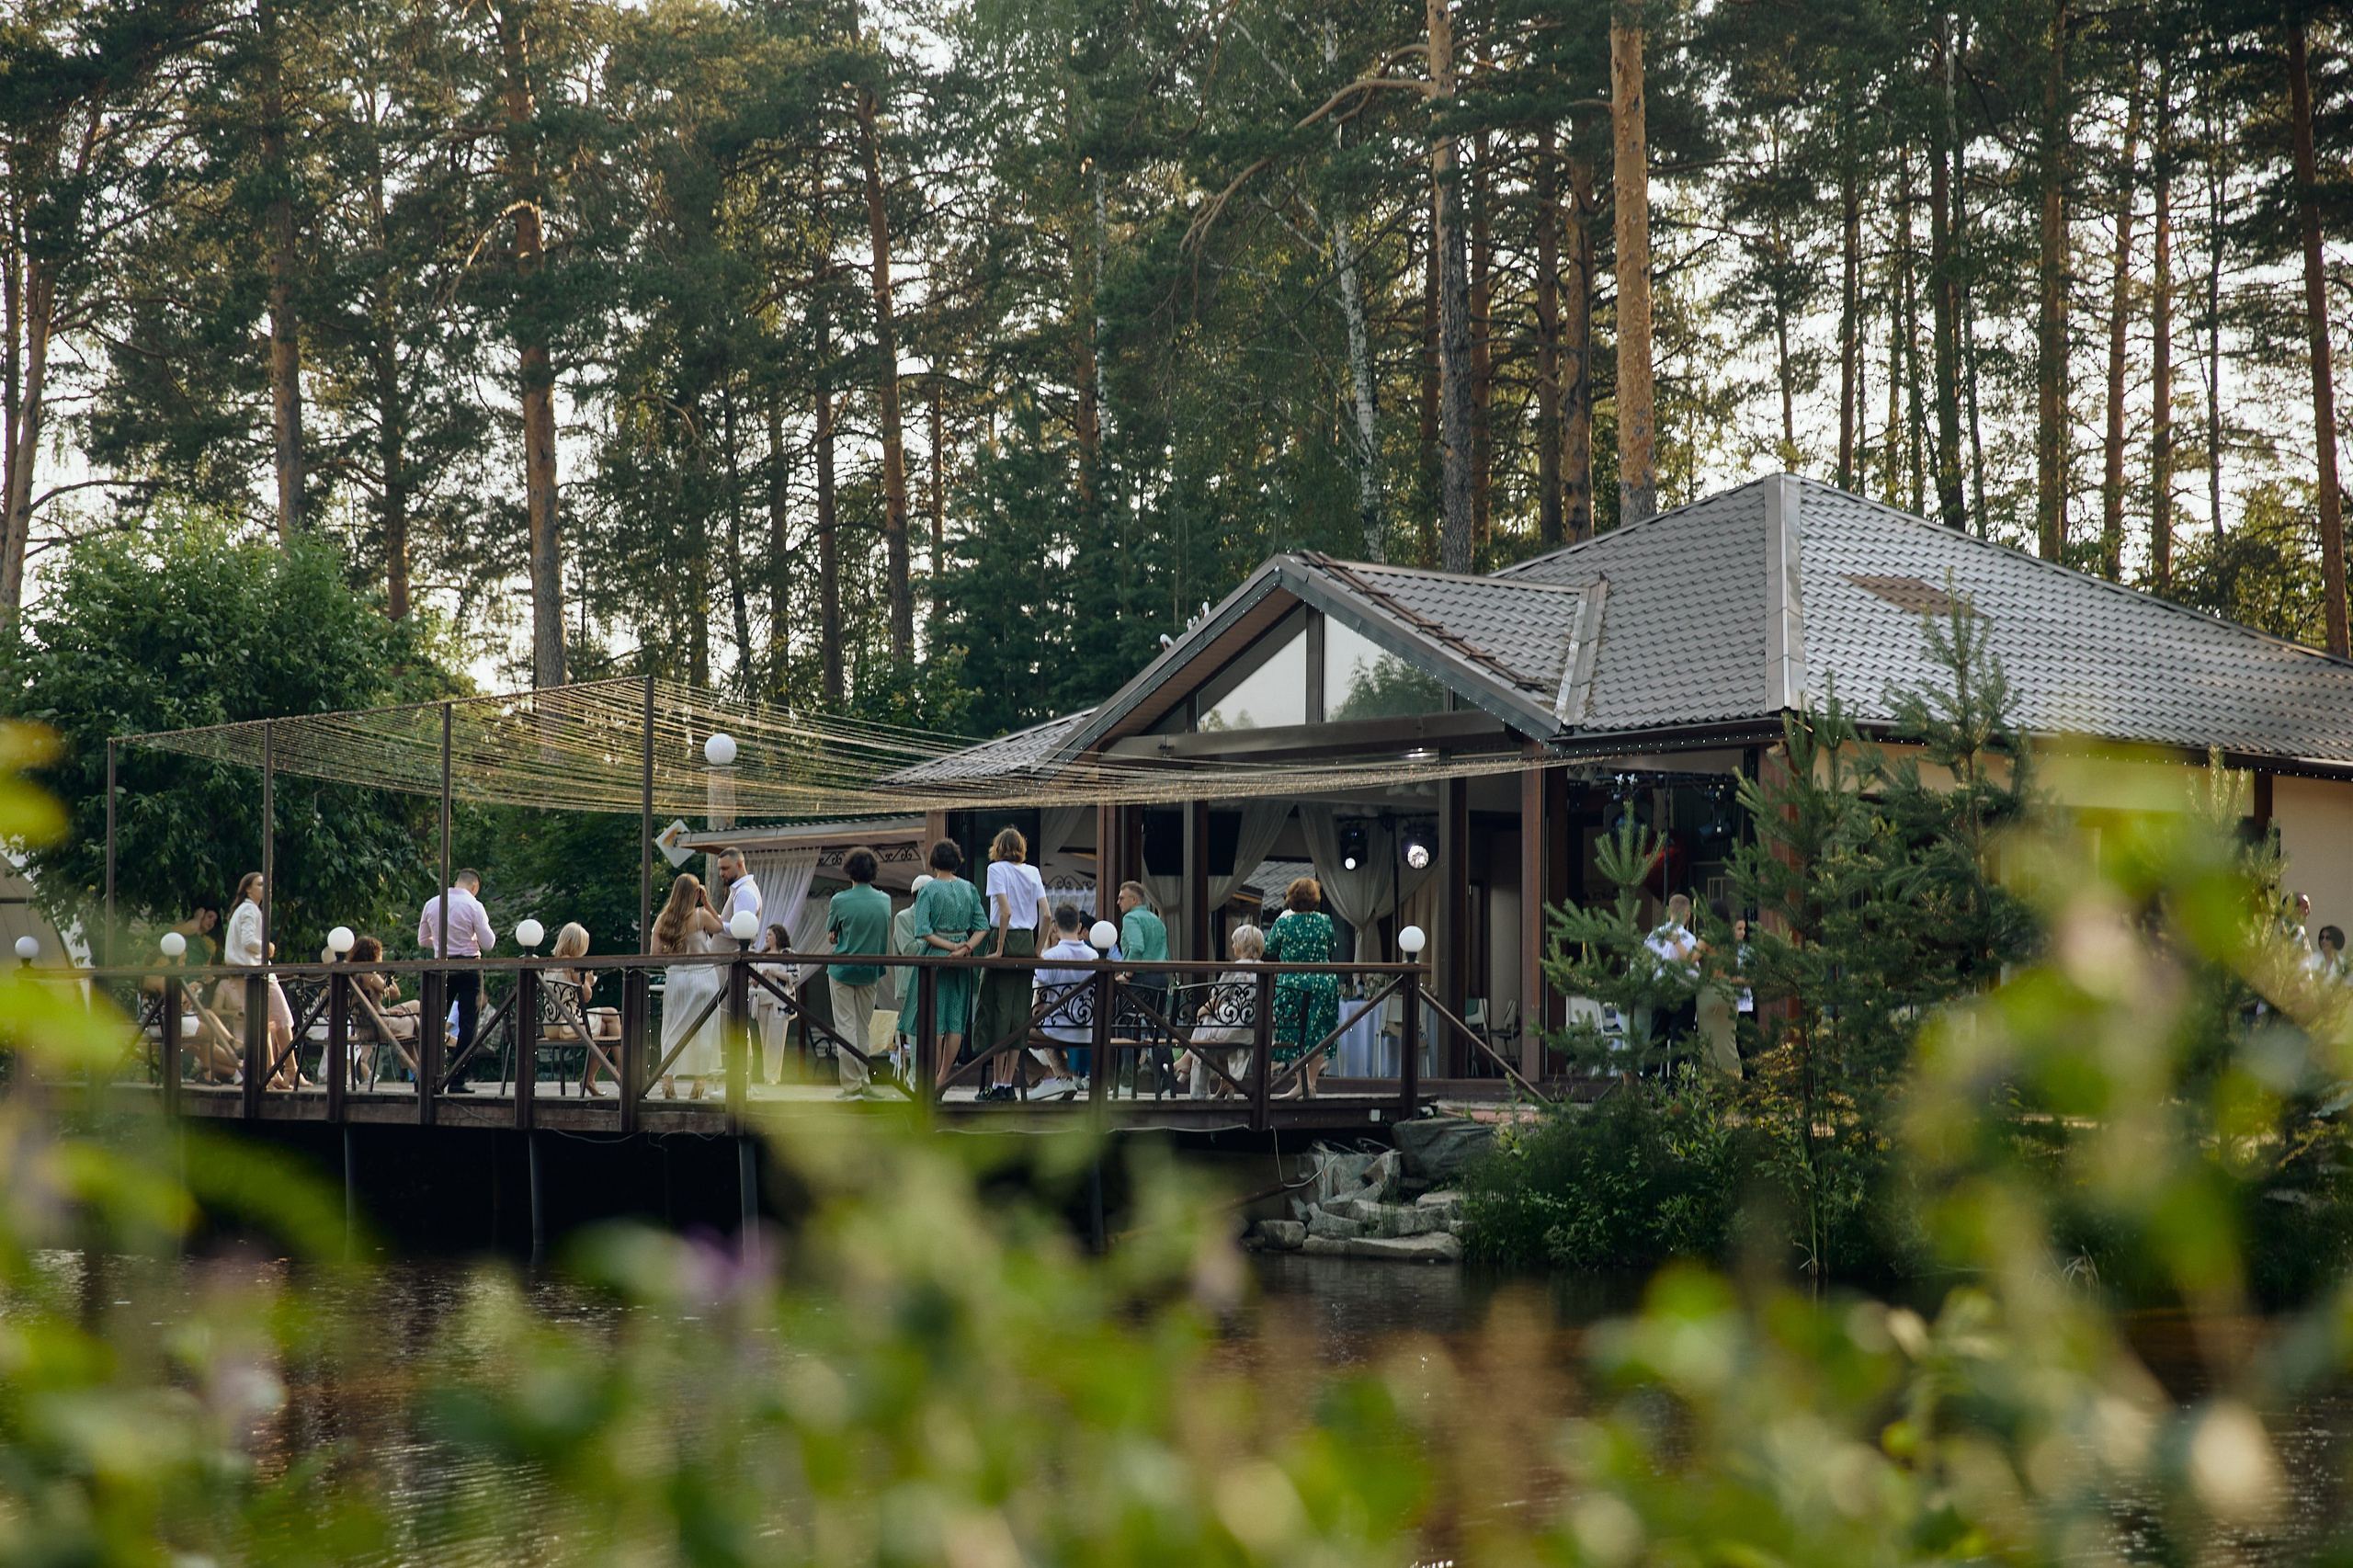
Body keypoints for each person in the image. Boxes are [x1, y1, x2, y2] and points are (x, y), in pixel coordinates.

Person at [972, 826, 1051, 1101]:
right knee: (1019, 1014)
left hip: (1004, 939)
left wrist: (999, 948)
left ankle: (997, 1084)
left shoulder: (996, 869)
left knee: (998, 1011)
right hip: (1027, 943)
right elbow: (1047, 915)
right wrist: (1037, 950)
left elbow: (1004, 911)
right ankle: (1008, 1084)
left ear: (998, 848)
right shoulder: (1033, 872)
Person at [912, 840, 987, 1088]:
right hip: (963, 959)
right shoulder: (969, 888)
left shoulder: (928, 890)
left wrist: (950, 947)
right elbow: (982, 927)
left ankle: (930, 1081)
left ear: (934, 862)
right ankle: (943, 1078)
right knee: (956, 1022)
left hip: (936, 956)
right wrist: (965, 948)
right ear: (957, 861)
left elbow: (922, 930)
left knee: (934, 1022)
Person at [824, 846, 894, 1098]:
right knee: (863, 1028)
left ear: (849, 871)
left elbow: (831, 934)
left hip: (842, 969)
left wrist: (839, 935)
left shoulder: (840, 900)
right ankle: (864, 1081)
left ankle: (851, 1084)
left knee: (845, 1027)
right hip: (870, 970)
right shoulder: (885, 900)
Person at [417, 869, 496, 1093]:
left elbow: (422, 940)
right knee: (468, 1024)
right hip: (469, 967)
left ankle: (424, 1079)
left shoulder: (432, 903)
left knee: (435, 1022)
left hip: (441, 967)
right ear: (475, 886)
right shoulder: (474, 906)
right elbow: (489, 943)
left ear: (456, 882)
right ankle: (457, 1080)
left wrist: (441, 942)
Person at [222, 872, 301, 1089]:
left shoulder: (243, 910)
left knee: (264, 1024)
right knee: (283, 1019)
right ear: (248, 889)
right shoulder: (249, 910)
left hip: (245, 973)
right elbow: (249, 941)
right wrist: (268, 946)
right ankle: (291, 1071)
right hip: (257, 973)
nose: (265, 888)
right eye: (259, 884)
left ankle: (271, 1074)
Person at [1264, 878, 1339, 1097]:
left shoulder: (1284, 923)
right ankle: (1311, 1084)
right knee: (1319, 1031)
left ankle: (1301, 1083)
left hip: (1292, 982)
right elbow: (1331, 945)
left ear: (1291, 898)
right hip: (1322, 981)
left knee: (1292, 1032)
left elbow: (1270, 947)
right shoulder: (1325, 921)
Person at [653, 873, 725, 1099]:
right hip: (703, 976)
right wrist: (707, 902)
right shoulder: (701, 916)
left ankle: (667, 1080)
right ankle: (699, 1081)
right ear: (696, 893)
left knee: (672, 1029)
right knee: (704, 1030)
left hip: (677, 977)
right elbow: (720, 927)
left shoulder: (664, 919)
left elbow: (654, 953)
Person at [1181, 922, 1263, 1098]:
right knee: (1209, 1027)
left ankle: (1197, 1091)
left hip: (1233, 1029)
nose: (1232, 946)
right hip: (1259, 1030)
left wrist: (1201, 1010)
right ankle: (1226, 1083)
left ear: (1242, 945)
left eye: (1234, 942)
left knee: (1204, 1024)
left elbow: (1218, 998)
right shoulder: (1266, 969)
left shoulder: (1235, 969)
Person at [1029, 903, 1100, 1096]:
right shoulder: (1094, 955)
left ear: (1055, 927)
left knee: (1012, 1035)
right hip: (1087, 1029)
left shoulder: (1050, 956)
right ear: (1079, 926)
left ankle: (1049, 1078)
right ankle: (1063, 1079)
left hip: (1056, 1029)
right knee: (1047, 1029)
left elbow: (1039, 1002)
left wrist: (1032, 1019)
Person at [548, 923, 622, 1097]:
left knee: (605, 1027)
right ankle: (622, 1071)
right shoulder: (572, 963)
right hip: (568, 1024)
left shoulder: (551, 964)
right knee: (611, 1015)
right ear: (578, 945)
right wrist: (588, 980)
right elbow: (586, 997)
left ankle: (590, 1079)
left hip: (551, 1025)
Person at [1116, 881, 1173, 1094]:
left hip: (1139, 978)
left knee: (1126, 1025)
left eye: (1122, 898)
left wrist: (1127, 974)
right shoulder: (1156, 919)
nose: (1118, 902)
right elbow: (1164, 952)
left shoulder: (1131, 918)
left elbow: (1137, 947)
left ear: (1134, 900)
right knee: (1158, 1029)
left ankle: (1127, 1082)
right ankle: (1167, 1082)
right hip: (1160, 978)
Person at [883, 874, 933, 1083]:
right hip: (913, 982)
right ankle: (915, 1077)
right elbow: (910, 949)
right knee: (916, 1031)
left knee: (935, 1031)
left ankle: (931, 1078)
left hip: (936, 980)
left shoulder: (938, 918)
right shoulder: (903, 917)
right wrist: (939, 941)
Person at [1643, 893, 1701, 1049]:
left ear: (1669, 912)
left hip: (1659, 989)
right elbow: (1692, 968)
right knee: (1680, 1040)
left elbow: (1645, 962)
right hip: (1683, 992)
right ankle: (1677, 1066)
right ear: (1688, 914)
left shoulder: (1654, 936)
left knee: (1657, 1036)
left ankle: (1654, 1065)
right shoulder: (1688, 938)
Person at [712, 846, 762, 937]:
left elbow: (741, 929)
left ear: (739, 865)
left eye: (725, 868)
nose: (721, 873)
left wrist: (714, 924)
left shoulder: (744, 892)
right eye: (720, 869)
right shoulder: (740, 889)